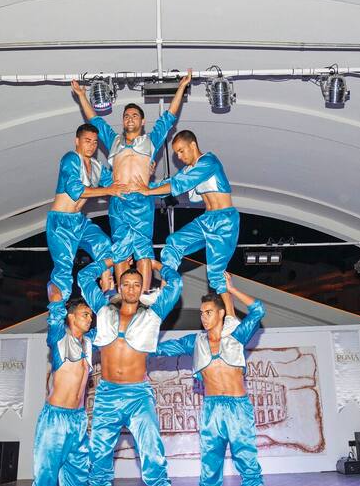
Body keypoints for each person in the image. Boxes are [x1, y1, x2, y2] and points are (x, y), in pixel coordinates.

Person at [72, 257, 186, 486]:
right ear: (120, 287)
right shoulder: (103, 310)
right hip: (107, 395)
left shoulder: (153, 313)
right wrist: (107, 262)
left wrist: (155, 264)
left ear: (142, 287)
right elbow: (83, 278)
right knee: (98, 468)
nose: (132, 289)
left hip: (138, 396)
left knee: (155, 464)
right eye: (127, 284)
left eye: (137, 284)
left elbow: (176, 284)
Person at [151, 272, 271, 486]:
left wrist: (232, 289)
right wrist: (133, 341)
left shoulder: (236, 336)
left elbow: (258, 310)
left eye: (208, 312)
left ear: (220, 314)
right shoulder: (195, 342)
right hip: (212, 410)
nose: (203, 317)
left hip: (238, 409)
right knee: (208, 475)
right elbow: (158, 349)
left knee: (250, 471)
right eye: (202, 313)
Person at [72, 71, 190, 295]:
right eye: (126, 116)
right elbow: (95, 120)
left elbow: (169, 118)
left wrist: (181, 88)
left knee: (143, 250)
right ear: (123, 120)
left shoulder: (150, 140)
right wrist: (81, 96)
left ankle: (143, 295)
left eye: (135, 115)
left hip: (141, 201)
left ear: (142, 121)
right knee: (120, 251)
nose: (130, 118)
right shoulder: (114, 140)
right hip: (118, 200)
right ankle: (122, 295)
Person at [26, 294, 97, 486]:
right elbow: (55, 309)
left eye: (90, 314)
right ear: (71, 316)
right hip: (54, 420)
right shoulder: (58, 337)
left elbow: (109, 315)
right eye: (84, 314)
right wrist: (58, 298)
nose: (89, 318)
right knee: (45, 479)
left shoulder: (88, 343)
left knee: (77, 478)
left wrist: (106, 286)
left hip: (77, 421)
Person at [135, 129, 237, 311]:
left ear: (193, 145)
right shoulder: (188, 170)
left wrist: (148, 191)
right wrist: (145, 185)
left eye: (181, 151)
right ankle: (164, 292)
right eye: (176, 153)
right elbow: (168, 184)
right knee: (173, 243)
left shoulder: (209, 162)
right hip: (207, 220)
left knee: (215, 273)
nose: (179, 157)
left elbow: (179, 185)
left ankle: (230, 316)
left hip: (224, 221)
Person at [46, 123, 124, 300]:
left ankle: (107, 290)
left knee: (105, 245)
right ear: (77, 141)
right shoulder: (70, 159)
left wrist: (143, 172)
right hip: (60, 223)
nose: (92, 145)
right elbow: (76, 190)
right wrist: (108, 190)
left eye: (95, 142)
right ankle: (57, 312)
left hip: (79, 221)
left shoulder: (96, 166)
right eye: (87, 141)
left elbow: (117, 183)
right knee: (63, 273)